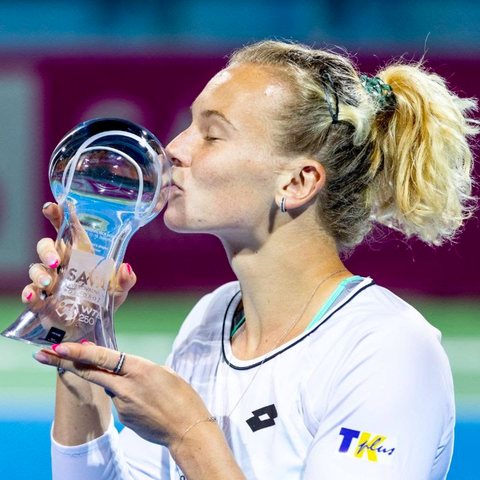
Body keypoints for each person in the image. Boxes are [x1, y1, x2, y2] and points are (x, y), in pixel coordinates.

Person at [26, 40, 477, 479]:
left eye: (212, 134)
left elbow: (191, 439)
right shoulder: (211, 319)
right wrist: (81, 331)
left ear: (298, 183)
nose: (174, 150)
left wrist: (189, 435)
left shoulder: (388, 349)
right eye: (188, 126)